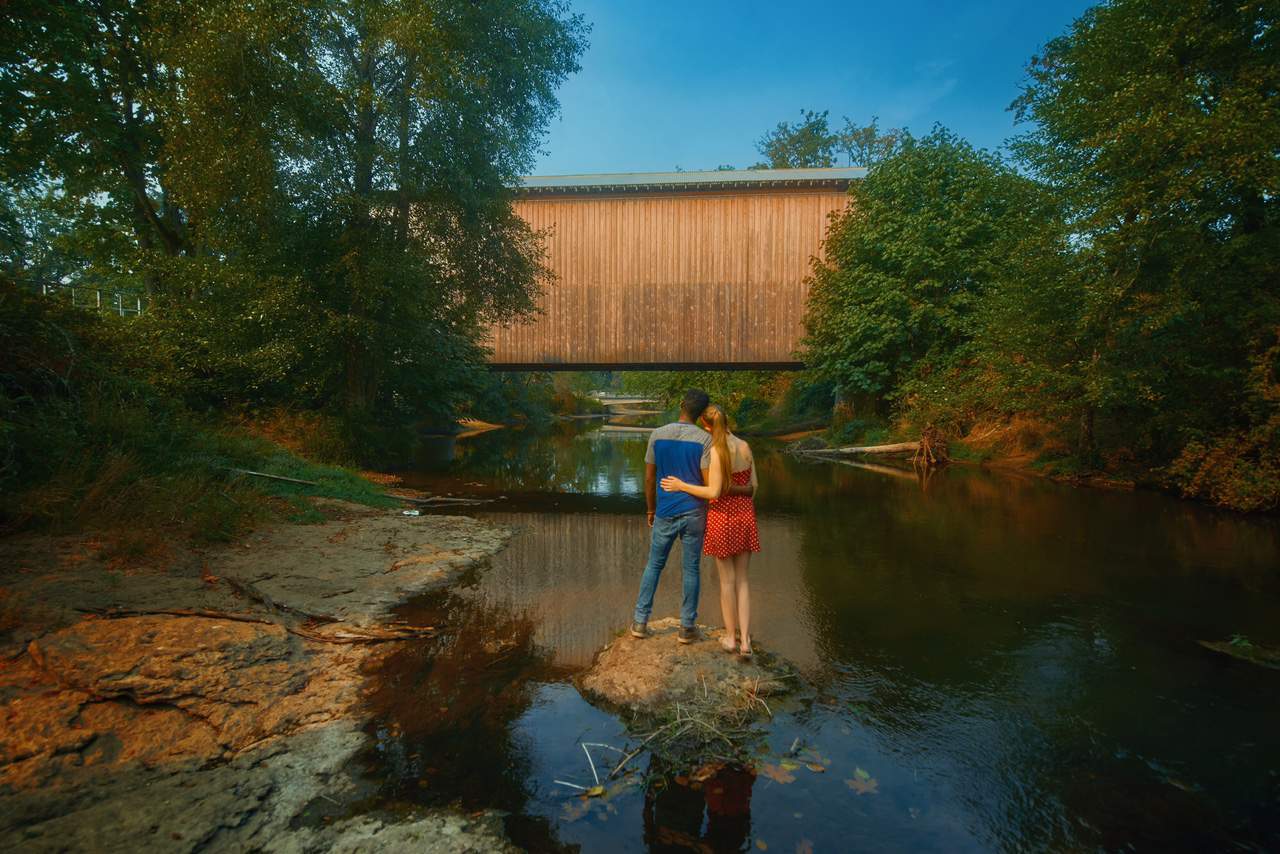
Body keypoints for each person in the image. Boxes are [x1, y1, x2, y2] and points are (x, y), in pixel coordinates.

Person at [660, 404, 759, 659]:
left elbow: (713, 493)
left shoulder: (716, 451)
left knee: (727, 582)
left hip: (721, 518)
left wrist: (682, 485)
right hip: (745, 516)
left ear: (706, 426)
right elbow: (754, 487)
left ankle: (730, 638)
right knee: (743, 581)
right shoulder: (745, 446)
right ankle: (746, 641)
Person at [630, 389, 712, 645]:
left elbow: (649, 478)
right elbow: (708, 482)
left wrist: (650, 509)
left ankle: (640, 622)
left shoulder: (657, 434)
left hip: (665, 510)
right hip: (694, 511)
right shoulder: (705, 440)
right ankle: (687, 628)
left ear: (681, 405)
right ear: (701, 414)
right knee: (691, 569)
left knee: (654, 564)